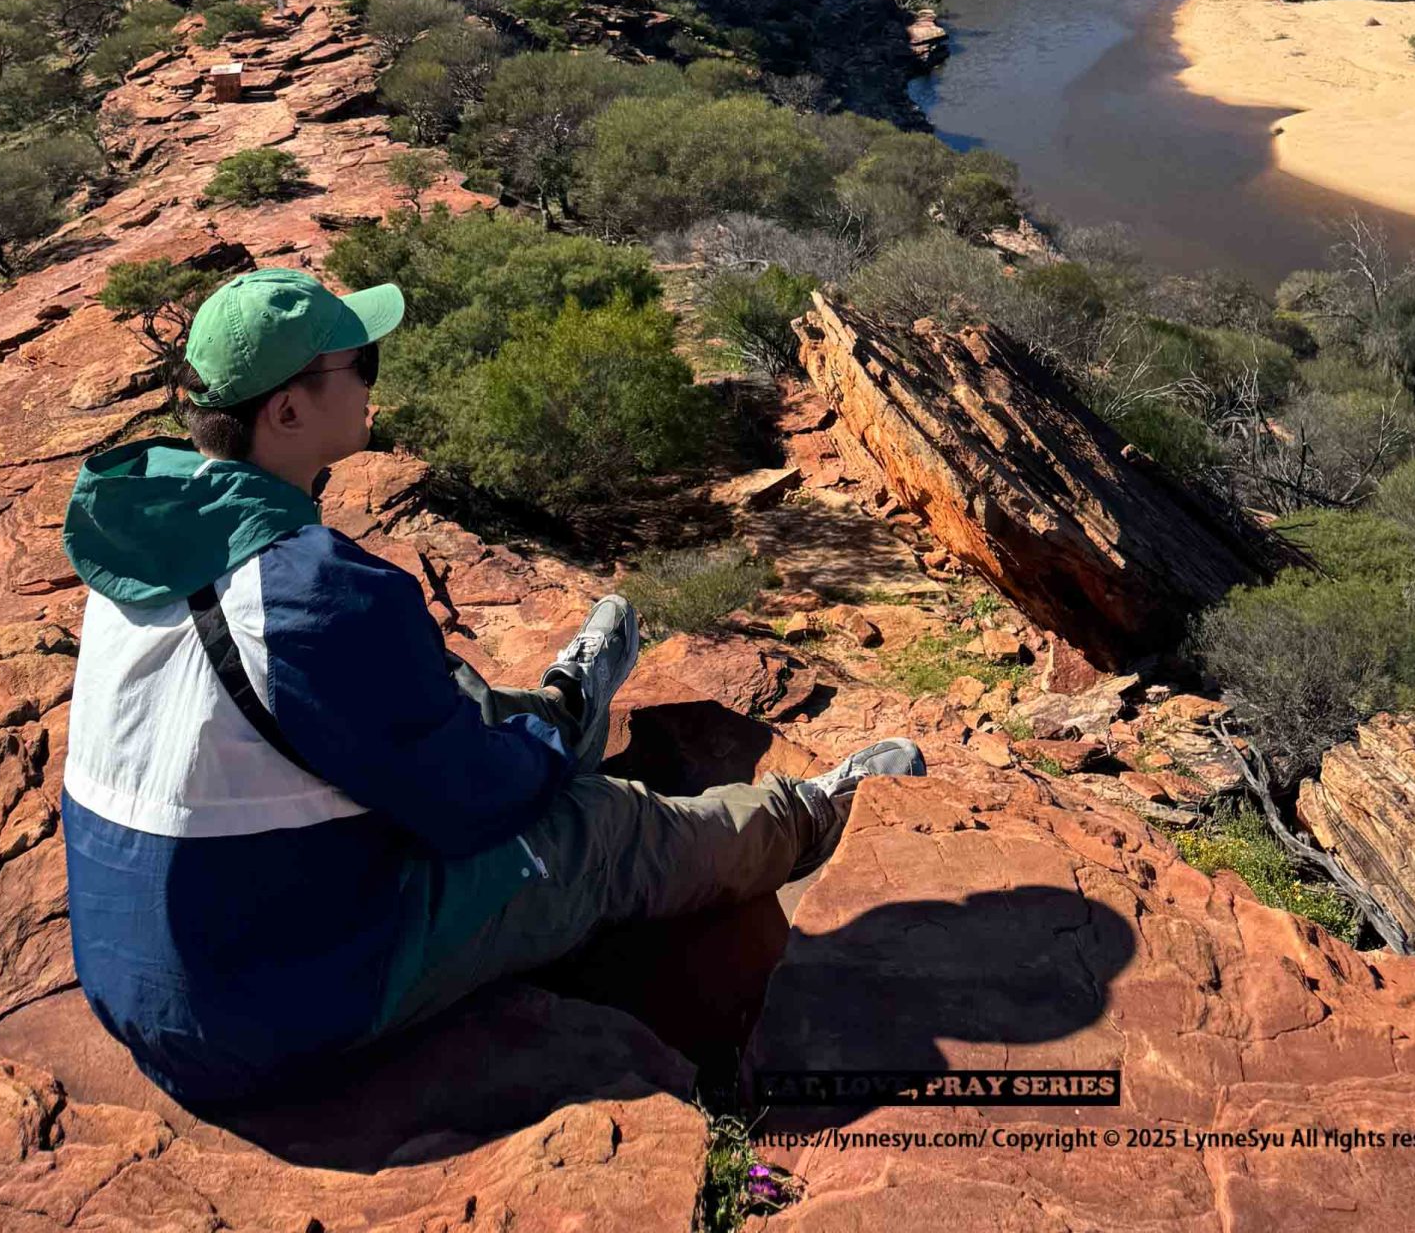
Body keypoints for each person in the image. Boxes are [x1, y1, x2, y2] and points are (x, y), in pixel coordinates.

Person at [60, 265, 924, 1112]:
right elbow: (471, 807)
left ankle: (562, 709)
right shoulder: (307, 596)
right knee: (597, 828)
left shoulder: (142, 545)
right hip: (270, 1009)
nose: (370, 380)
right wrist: (537, 761)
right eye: (358, 365)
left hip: (151, 982)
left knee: (442, 699)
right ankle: (808, 817)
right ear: (285, 411)